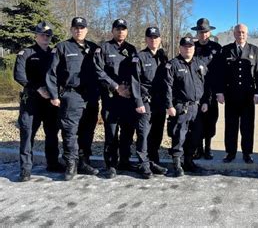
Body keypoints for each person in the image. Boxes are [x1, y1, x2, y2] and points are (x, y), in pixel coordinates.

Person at [46, 17, 100, 180]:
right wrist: (54, 95)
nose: (79, 30)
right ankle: (70, 164)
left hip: (90, 96)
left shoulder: (94, 48)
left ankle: (84, 162)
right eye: (76, 27)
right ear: (71, 30)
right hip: (71, 95)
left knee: (88, 131)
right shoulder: (62, 47)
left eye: (82, 27)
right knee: (70, 132)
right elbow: (51, 73)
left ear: (86, 30)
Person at [14, 22, 63, 182]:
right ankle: (25, 169)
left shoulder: (54, 53)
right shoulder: (26, 53)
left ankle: (53, 163)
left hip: (49, 101)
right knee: (28, 135)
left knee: (52, 134)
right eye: (42, 34)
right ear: (36, 35)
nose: (45, 37)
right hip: (32, 102)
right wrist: (37, 88)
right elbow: (19, 75)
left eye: (48, 35)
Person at [94, 18, 138, 179]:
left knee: (127, 133)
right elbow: (99, 71)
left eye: (123, 29)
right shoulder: (103, 49)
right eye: (118, 29)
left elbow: (136, 72)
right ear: (112, 31)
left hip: (127, 98)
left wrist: (130, 90)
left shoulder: (132, 49)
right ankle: (111, 164)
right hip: (111, 99)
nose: (121, 32)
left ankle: (125, 161)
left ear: (127, 31)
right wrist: (116, 87)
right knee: (111, 133)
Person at [217, 24, 258, 164]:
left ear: (247, 34)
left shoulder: (254, 50)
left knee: (247, 126)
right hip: (231, 95)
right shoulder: (226, 50)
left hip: (248, 96)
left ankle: (247, 153)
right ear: (234, 34)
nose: (241, 34)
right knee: (230, 126)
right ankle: (230, 153)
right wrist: (220, 92)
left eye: (243, 32)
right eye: (238, 32)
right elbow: (221, 74)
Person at [164, 36, 210, 177]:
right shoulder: (173, 65)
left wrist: (206, 101)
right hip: (181, 107)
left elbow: (206, 84)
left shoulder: (200, 64)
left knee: (195, 136)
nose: (188, 49)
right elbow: (167, 87)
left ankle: (189, 161)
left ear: (194, 48)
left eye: (190, 46)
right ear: (180, 48)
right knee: (179, 136)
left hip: (197, 108)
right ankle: (177, 164)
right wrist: (169, 106)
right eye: (185, 46)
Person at [131, 27, 169, 179]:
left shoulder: (162, 56)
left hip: (159, 102)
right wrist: (138, 102)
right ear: (146, 39)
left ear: (160, 39)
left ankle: (153, 161)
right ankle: (143, 164)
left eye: (156, 37)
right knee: (144, 133)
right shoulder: (139, 57)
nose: (153, 40)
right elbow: (134, 81)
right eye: (150, 38)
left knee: (157, 133)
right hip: (145, 101)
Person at [191, 18, 222, 160]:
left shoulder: (216, 48)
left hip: (212, 90)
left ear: (209, 33)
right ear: (197, 33)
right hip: (196, 90)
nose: (203, 35)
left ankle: (208, 148)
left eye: (205, 32)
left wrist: (220, 91)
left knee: (211, 120)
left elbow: (222, 70)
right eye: (200, 32)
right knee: (197, 121)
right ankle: (198, 148)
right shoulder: (192, 47)